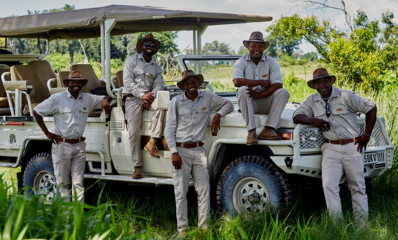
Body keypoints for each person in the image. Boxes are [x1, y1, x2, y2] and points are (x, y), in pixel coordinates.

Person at [293, 68, 377, 222]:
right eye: (318, 82)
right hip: (330, 147)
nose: (321, 85)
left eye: (324, 81)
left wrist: (366, 135)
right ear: (314, 86)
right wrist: (315, 121)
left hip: (352, 145)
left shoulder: (345, 96)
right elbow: (297, 116)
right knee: (329, 186)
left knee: (357, 186)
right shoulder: (312, 100)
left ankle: (362, 225)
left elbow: (371, 107)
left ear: (330, 81)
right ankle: (337, 225)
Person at [165, 70, 234, 234]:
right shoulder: (176, 102)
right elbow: (169, 129)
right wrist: (174, 151)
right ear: (183, 86)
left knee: (204, 190)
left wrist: (218, 114)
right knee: (181, 192)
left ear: (198, 83)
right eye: (187, 83)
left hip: (199, 151)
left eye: (193, 82)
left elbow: (229, 104)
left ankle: (204, 228)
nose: (191, 86)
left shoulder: (208, 97)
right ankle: (182, 229)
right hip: (180, 151)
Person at [33, 70, 111, 202]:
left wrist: (105, 102)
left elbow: (103, 98)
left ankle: (77, 217)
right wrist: (47, 133)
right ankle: (66, 218)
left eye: (79, 82)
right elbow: (37, 111)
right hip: (62, 145)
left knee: (78, 183)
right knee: (63, 184)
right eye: (73, 81)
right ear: (68, 83)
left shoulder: (87, 98)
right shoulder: (57, 98)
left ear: (82, 84)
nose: (76, 84)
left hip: (79, 146)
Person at [233, 31, 290, 146]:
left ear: (264, 48)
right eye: (253, 46)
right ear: (248, 47)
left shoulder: (272, 62)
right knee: (242, 90)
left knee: (283, 92)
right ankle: (251, 132)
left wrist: (258, 95)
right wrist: (260, 82)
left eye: (260, 46)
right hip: (249, 104)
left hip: (265, 101)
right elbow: (237, 81)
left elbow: (278, 84)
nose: (256, 49)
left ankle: (268, 129)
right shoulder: (241, 62)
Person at [122, 33, 165, 179]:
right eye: (147, 44)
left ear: (155, 49)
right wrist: (142, 96)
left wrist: (150, 96)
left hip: (149, 98)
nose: (149, 47)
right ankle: (137, 167)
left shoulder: (156, 67)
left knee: (162, 105)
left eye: (152, 45)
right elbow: (127, 82)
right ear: (141, 47)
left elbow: (160, 85)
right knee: (134, 132)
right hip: (133, 99)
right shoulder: (131, 61)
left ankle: (152, 142)